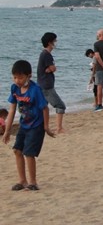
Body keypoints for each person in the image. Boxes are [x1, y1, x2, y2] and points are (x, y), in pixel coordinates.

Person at [3, 60, 56, 191]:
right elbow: (12, 109)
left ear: (29, 76)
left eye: (20, 77)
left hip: (36, 126)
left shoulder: (35, 89)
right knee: (17, 150)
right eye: (15, 77)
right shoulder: (15, 88)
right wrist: (7, 131)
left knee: (29, 153)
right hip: (24, 125)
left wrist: (46, 127)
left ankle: (33, 182)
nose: (17, 80)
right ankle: (22, 181)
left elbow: (45, 108)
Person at [36, 32, 66, 134]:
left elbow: (51, 68)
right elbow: (53, 68)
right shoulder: (46, 54)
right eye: (54, 41)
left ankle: (44, 126)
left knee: (43, 107)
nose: (56, 42)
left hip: (42, 84)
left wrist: (50, 69)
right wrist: (51, 69)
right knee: (60, 105)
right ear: (49, 43)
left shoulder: (44, 54)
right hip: (46, 85)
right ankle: (59, 128)